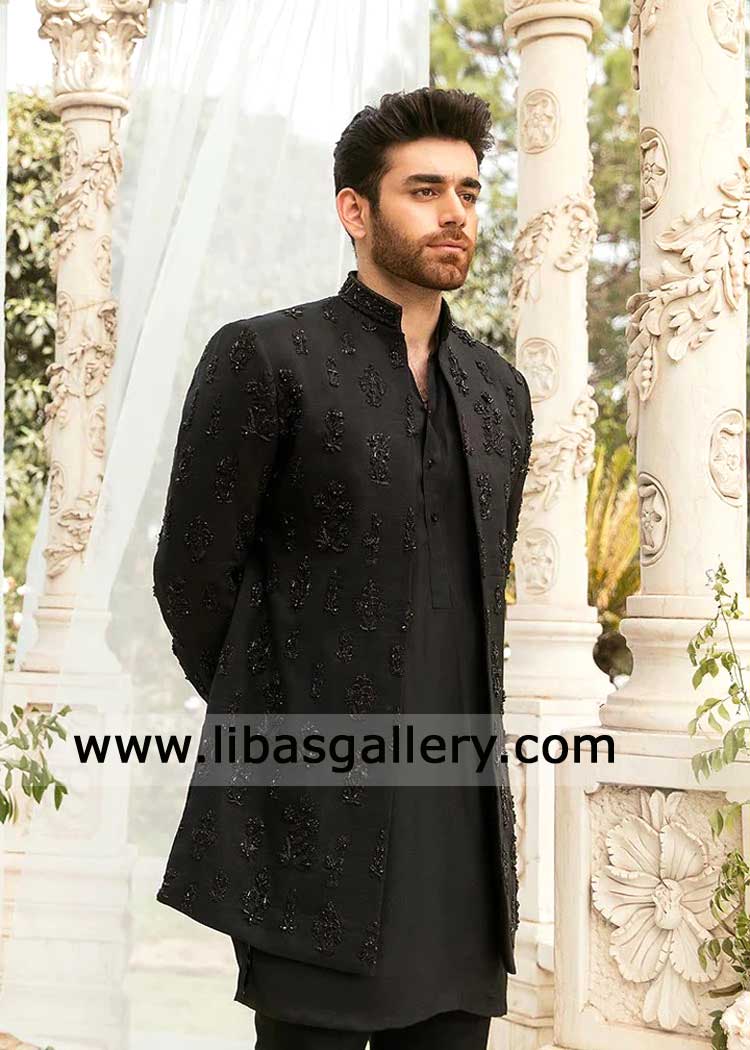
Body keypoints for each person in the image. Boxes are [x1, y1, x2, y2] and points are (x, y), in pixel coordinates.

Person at [152, 86, 533, 1049]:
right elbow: (191, 578)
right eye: (425, 190)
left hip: (461, 837)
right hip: (310, 827)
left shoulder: (501, 392)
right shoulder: (266, 357)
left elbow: (480, 591)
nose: (455, 213)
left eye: (469, 192)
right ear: (354, 210)